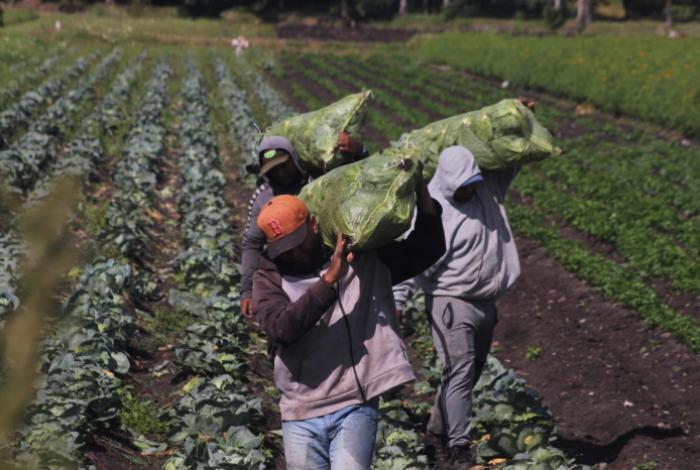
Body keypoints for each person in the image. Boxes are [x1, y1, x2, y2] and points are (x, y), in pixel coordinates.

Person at [251, 170, 445, 469]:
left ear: (313, 225)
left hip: (353, 401)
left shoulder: (362, 258)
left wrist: (421, 193)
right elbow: (282, 329)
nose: (292, 255)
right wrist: (329, 280)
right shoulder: (268, 275)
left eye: (297, 243)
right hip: (300, 408)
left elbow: (426, 250)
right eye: (283, 249)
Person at [393, 146, 522, 468]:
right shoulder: (433, 208)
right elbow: (414, 258)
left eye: (472, 183)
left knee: (469, 372)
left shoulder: (486, 194)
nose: (469, 190)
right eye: (463, 186)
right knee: (460, 370)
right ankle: (459, 447)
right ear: (448, 182)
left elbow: (514, 159)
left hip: (485, 302)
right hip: (450, 301)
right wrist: (397, 300)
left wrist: (519, 127)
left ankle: (436, 432)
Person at [240, 133, 367, 321]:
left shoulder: (319, 180)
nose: (280, 173)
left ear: (294, 159)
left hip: (336, 264)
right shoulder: (264, 199)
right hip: (294, 278)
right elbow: (252, 244)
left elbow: (360, 182)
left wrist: (360, 151)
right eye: (273, 170)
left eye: (284, 166)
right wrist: (247, 290)